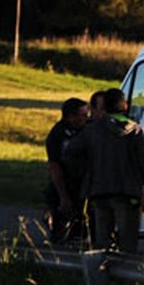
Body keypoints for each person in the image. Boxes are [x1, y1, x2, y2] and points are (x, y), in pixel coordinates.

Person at [64, 87, 144, 253]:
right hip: (128, 193)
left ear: (104, 107)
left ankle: (100, 275)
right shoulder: (136, 131)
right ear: (125, 106)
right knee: (128, 243)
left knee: (102, 243)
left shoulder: (91, 130)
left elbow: (70, 153)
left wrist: (84, 173)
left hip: (98, 191)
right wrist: (143, 180)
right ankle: (126, 276)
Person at [44, 97, 88, 244]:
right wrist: (63, 196)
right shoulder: (58, 135)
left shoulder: (87, 129)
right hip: (65, 185)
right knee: (61, 229)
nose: (86, 118)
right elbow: (54, 166)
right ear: (71, 117)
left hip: (83, 186)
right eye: (83, 115)